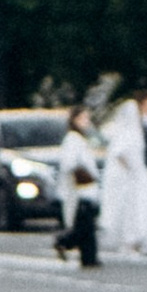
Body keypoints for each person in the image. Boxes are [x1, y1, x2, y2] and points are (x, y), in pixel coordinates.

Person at [98, 95, 147, 256]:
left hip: (139, 174)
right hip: (134, 175)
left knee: (144, 208)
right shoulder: (128, 133)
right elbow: (120, 153)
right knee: (137, 208)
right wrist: (133, 169)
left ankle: (143, 240)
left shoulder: (135, 130)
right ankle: (134, 239)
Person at [53, 112, 102, 268]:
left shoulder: (79, 139)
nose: (86, 122)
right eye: (83, 119)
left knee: (86, 226)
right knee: (84, 226)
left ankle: (88, 256)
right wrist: (83, 176)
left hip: (86, 189)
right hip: (80, 190)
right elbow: (69, 164)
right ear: (74, 120)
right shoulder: (73, 139)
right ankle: (69, 245)